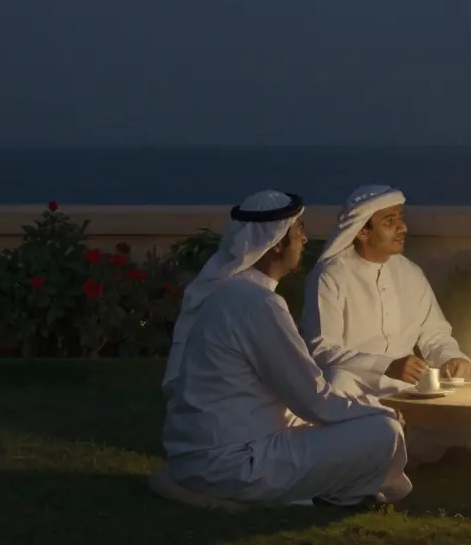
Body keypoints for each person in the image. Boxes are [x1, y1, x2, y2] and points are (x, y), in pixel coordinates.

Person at [156, 190, 412, 509]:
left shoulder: (229, 293)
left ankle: (338, 490)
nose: (304, 239)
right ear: (276, 242)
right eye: (299, 230)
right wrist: (381, 410)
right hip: (235, 465)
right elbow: (312, 399)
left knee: (347, 396)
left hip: (198, 459)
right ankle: (339, 496)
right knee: (383, 432)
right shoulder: (258, 303)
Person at [301, 184, 471, 465]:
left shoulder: (410, 272)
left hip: (407, 389)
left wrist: (451, 358)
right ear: (362, 232)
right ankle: (391, 446)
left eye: (400, 217)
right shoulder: (331, 277)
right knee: (336, 382)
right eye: (390, 222)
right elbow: (322, 349)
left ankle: (403, 445)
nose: (403, 228)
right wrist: (385, 365)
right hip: (360, 386)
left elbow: (434, 333)